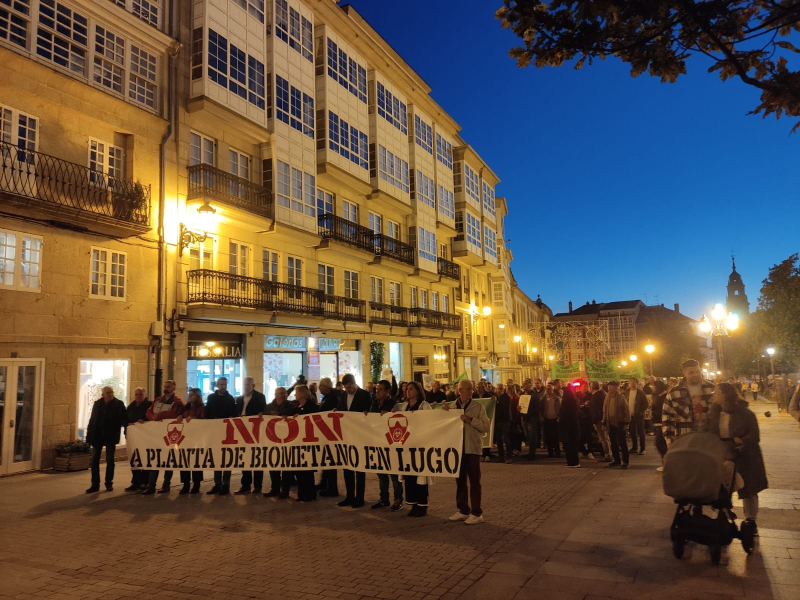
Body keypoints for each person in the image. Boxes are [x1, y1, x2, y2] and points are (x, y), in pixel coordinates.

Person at [704, 382, 768, 535]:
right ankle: (724, 511)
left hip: (745, 455)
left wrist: (743, 441)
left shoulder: (745, 413)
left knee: (749, 487)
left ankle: (751, 519)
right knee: (724, 484)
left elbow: (754, 435)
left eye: (717, 392)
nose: (714, 395)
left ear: (725, 394)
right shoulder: (714, 413)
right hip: (722, 452)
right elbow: (706, 430)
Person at [446, 379, 490, 524]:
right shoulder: (451, 407)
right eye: (467, 389)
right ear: (459, 391)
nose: (470, 391)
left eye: (471, 389)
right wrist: (443, 414)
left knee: (475, 481)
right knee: (460, 481)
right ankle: (463, 509)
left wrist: (470, 420)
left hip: (472, 448)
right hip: (457, 449)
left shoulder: (478, 407)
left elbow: (486, 426)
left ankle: (477, 513)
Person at [394, 381, 432, 517]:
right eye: (406, 389)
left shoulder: (424, 406)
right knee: (409, 476)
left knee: (420, 476)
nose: (407, 391)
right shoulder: (404, 406)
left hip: (420, 446)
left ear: (418, 391)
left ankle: (422, 505)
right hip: (407, 446)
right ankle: (413, 504)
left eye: (410, 389)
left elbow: (430, 422)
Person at [142, 380, 185, 495]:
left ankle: (166, 485)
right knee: (154, 459)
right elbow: (149, 412)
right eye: (165, 386)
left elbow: (175, 414)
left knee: (168, 460)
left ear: (174, 388)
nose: (166, 388)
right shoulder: (157, 400)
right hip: (155, 435)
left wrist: (159, 416)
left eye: (169, 386)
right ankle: (151, 485)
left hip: (168, 435)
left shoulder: (177, 401)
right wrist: (152, 417)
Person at [662, 359, 716, 447]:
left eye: (698, 371)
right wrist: (669, 441)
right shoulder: (674, 392)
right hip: (685, 438)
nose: (696, 374)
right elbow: (667, 417)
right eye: (691, 372)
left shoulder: (712, 388)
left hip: (708, 438)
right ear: (684, 373)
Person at [337, 373, 372, 508]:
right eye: (346, 388)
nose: (348, 390)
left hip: (360, 436)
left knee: (359, 468)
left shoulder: (364, 395)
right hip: (347, 436)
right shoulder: (342, 396)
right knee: (347, 467)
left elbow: (370, 412)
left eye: (350, 387)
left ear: (355, 384)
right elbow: (341, 410)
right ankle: (349, 496)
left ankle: (360, 497)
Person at [85, 386, 128, 493]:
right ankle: (95, 484)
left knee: (110, 460)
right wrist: (89, 436)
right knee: (94, 461)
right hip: (97, 436)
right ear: (103, 394)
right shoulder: (97, 404)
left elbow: (123, 418)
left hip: (110, 436)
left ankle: (108, 483)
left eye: (111, 392)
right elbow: (92, 420)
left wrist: (127, 426)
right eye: (108, 393)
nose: (110, 394)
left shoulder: (118, 404)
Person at [370, 379, 404, 511]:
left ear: (388, 392)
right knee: (381, 473)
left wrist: (390, 415)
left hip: (392, 445)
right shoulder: (374, 404)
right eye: (376, 390)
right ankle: (384, 498)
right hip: (378, 443)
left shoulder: (394, 405)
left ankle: (398, 499)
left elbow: (400, 420)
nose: (377, 392)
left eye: (380, 390)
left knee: (394, 474)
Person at [234, 377, 267, 495]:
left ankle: (258, 485)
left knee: (256, 457)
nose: (245, 387)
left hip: (255, 431)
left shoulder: (260, 397)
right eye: (244, 385)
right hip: (242, 431)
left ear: (253, 386)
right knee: (245, 458)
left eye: (248, 385)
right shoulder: (239, 398)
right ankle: (245, 485)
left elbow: (263, 411)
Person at [287, 385, 319, 502]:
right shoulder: (296, 406)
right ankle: (302, 493)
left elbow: (315, 420)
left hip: (308, 443)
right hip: (298, 442)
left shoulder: (311, 407)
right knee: (299, 469)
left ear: (303, 393)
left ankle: (310, 493)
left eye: (297, 392)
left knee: (307, 470)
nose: (295, 394)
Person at [205, 377, 237, 495]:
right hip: (215, 432)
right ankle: (217, 484)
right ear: (218, 385)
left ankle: (226, 485)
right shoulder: (211, 398)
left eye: (225, 384)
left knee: (226, 458)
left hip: (226, 432)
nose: (224, 387)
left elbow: (233, 415)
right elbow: (208, 412)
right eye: (222, 384)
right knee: (217, 458)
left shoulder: (230, 399)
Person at [177, 387, 205, 494]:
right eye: (189, 394)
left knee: (195, 461)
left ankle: (196, 484)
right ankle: (186, 484)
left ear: (197, 396)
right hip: (185, 438)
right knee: (184, 460)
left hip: (196, 438)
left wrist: (194, 419)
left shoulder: (201, 408)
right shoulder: (186, 407)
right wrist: (180, 416)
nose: (190, 396)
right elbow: (179, 415)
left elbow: (203, 420)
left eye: (192, 395)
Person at [316, 377, 341, 497]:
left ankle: (332, 487)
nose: (319, 388)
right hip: (326, 433)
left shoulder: (333, 397)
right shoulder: (327, 397)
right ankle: (324, 483)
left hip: (331, 433)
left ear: (326, 386)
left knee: (330, 460)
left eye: (321, 385)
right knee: (325, 459)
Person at [124, 388, 151, 491]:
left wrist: (143, 420)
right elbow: (125, 418)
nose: (138, 396)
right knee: (134, 459)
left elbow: (151, 418)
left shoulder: (149, 406)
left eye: (140, 394)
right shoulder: (131, 407)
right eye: (137, 394)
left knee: (144, 459)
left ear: (145, 395)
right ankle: (135, 482)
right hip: (132, 438)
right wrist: (127, 423)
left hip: (144, 437)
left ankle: (144, 482)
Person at [603, 381, 630, 468]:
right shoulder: (607, 397)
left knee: (622, 442)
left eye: (612, 387)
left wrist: (626, 423)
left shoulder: (621, 397)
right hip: (610, 423)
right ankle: (616, 459)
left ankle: (625, 461)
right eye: (609, 387)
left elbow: (627, 411)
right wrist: (604, 422)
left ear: (616, 387)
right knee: (613, 442)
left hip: (620, 423)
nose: (610, 388)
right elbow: (604, 410)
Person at [556, 380, 581, 468]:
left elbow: (567, 414)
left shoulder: (568, 402)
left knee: (571, 445)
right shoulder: (570, 401)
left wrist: (561, 418)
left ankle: (574, 462)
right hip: (569, 427)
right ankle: (571, 461)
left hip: (569, 428)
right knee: (569, 445)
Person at [589, 382, 611, 462]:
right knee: (606, 437)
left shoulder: (595, 396)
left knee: (603, 438)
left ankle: (607, 455)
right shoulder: (603, 394)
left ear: (592, 387)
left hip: (599, 420)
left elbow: (596, 410)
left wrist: (594, 420)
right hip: (604, 418)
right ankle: (609, 453)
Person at [520, 379, 542, 460]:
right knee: (528, 436)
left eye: (525, 384)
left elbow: (537, 407)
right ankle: (530, 452)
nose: (524, 385)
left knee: (532, 436)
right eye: (523, 384)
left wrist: (532, 414)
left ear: (529, 385)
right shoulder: (522, 394)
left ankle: (532, 453)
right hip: (524, 418)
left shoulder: (533, 394)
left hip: (531, 418)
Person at [627, 378, 648, 455]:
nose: (632, 383)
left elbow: (646, 404)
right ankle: (634, 447)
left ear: (637, 383)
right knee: (632, 432)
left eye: (634, 382)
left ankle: (642, 448)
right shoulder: (627, 392)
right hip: (630, 415)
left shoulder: (641, 393)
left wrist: (640, 411)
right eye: (631, 381)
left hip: (639, 415)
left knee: (641, 432)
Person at [651, 380, 669, 472]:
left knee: (661, 444)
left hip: (663, 423)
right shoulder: (658, 397)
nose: (652, 388)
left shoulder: (663, 397)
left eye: (654, 387)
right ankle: (665, 463)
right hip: (659, 423)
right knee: (661, 444)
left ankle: (666, 464)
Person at [493, 383, 513, 464]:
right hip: (497, 421)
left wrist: (498, 399)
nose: (499, 390)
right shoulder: (495, 397)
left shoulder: (506, 398)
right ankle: (501, 456)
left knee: (506, 439)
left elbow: (505, 406)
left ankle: (509, 456)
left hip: (504, 421)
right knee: (499, 440)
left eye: (500, 388)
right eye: (498, 388)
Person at [541, 383, 561, 458]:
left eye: (549, 389)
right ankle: (550, 452)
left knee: (555, 437)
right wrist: (542, 417)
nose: (548, 390)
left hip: (555, 420)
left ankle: (557, 452)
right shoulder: (543, 399)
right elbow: (540, 409)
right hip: (547, 420)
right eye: (547, 389)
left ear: (553, 390)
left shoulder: (557, 399)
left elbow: (560, 409)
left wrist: (559, 417)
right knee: (548, 437)